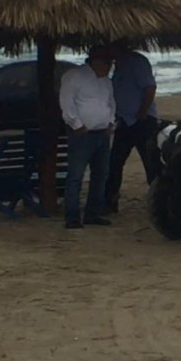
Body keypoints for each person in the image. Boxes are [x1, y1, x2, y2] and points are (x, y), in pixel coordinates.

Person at [59, 46, 116, 229]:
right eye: (107, 63)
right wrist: (77, 125)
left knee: (101, 175)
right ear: (96, 61)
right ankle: (72, 217)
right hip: (83, 133)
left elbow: (111, 103)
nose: (109, 67)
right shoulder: (74, 76)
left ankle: (93, 213)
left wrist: (110, 122)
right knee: (76, 175)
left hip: (102, 132)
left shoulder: (106, 81)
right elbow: (67, 104)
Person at [104, 42, 162, 213]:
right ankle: (110, 202)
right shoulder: (119, 66)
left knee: (151, 163)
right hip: (124, 121)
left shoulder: (137, 62)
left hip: (142, 121)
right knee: (115, 163)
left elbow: (150, 88)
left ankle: (159, 201)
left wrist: (142, 111)